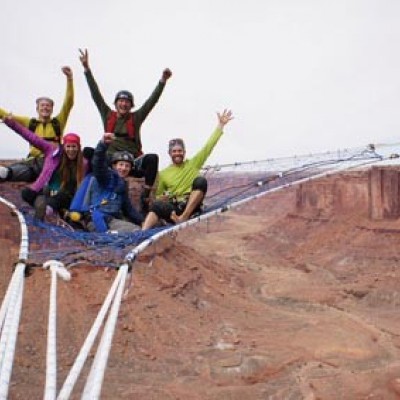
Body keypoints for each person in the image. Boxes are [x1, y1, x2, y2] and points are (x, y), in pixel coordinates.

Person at [78, 49, 172, 212]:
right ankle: (85, 186)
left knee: (152, 158)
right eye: (121, 101)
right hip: (110, 161)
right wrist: (87, 69)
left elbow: (151, 102)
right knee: (87, 151)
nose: (124, 104)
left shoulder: (136, 118)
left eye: (127, 102)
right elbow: (95, 95)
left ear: (131, 105)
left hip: (131, 161)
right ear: (116, 103)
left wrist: (162, 81)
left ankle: (146, 196)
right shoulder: (108, 115)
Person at [142, 109, 234, 230]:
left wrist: (220, 125)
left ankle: (184, 217)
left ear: (184, 152)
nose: (177, 153)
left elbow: (208, 146)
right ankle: (142, 233)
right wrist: (162, 198)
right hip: (175, 208)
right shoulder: (163, 174)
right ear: (170, 153)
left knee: (200, 181)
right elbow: (159, 195)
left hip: (192, 206)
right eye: (174, 151)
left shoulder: (194, 163)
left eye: (180, 151)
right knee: (157, 205)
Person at [1, 116, 88, 221]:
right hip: (47, 189)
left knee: (58, 200)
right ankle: (7, 174)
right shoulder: (53, 151)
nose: (71, 149)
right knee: (28, 193)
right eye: (68, 146)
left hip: (66, 196)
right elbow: (31, 137)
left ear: (78, 147)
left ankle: (48, 211)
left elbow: (98, 168)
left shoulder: (84, 163)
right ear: (64, 146)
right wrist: (12, 123)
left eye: (74, 146)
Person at [0, 66, 74, 183]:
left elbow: (68, 102)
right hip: (32, 161)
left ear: (52, 109)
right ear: (37, 108)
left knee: (33, 170)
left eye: (48, 105)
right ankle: (6, 173)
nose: (45, 107)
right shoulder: (30, 123)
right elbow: (6, 115)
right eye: (42, 105)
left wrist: (69, 79)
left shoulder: (58, 122)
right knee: (11, 171)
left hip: (51, 161)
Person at [68, 132, 144, 233]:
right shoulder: (105, 177)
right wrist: (103, 144)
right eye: (121, 164)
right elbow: (97, 163)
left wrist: (143, 221)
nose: (124, 168)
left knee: (137, 230)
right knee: (131, 232)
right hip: (96, 219)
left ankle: (110, 235)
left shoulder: (122, 186)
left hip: (112, 221)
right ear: (114, 166)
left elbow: (128, 209)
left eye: (127, 166)